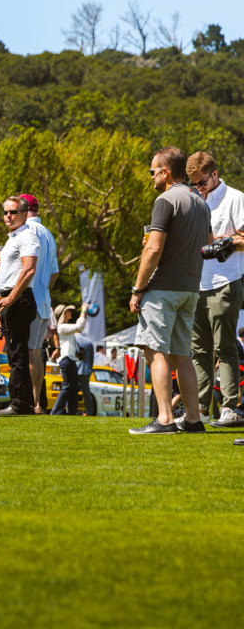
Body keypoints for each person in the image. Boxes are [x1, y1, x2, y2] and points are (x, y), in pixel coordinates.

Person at [128, 146, 212, 435]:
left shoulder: (165, 200)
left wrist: (137, 288)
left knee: (156, 351)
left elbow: (153, 249)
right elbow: (208, 243)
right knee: (182, 354)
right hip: (190, 288)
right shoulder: (200, 201)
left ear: (164, 171)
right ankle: (192, 418)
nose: (151, 176)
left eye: (153, 171)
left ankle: (164, 418)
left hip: (162, 288)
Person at [185, 152, 244, 427]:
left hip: (225, 283)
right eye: (194, 183)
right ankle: (199, 411)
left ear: (215, 174)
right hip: (197, 284)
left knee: (226, 348)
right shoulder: (196, 200)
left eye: (202, 182)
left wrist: (227, 243)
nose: (198, 187)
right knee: (199, 351)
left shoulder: (235, 197)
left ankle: (230, 408)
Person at [0, 196, 40, 415]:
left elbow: (29, 270)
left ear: (24, 214)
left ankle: (19, 403)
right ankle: (25, 403)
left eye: (13, 212)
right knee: (14, 352)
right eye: (5, 212)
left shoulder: (27, 236)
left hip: (19, 299)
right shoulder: (12, 238)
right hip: (10, 299)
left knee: (17, 354)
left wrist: (10, 298)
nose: (8, 216)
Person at [20, 194, 60, 415]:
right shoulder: (48, 234)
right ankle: (36, 402)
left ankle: (25, 401)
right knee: (35, 353)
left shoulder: (26, 232)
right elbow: (54, 272)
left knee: (25, 353)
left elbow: (24, 268)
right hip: (43, 300)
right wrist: (45, 290)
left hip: (27, 300)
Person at [49, 304, 89, 416]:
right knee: (68, 385)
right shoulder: (61, 327)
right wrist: (83, 311)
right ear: (64, 313)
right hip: (66, 359)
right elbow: (79, 326)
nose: (71, 312)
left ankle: (71, 412)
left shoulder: (63, 327)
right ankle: (56, 411)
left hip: (69, 359)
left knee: (73, 386)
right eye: (69, 311)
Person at [75, 332, 96, 416]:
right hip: (85, 370)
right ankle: (88, 411)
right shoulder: (89, 342)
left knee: (72, 391)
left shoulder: (73, 340)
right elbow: (91, 359)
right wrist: (90, 369)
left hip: (75, 369)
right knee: (86, 392)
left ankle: (72, 409)